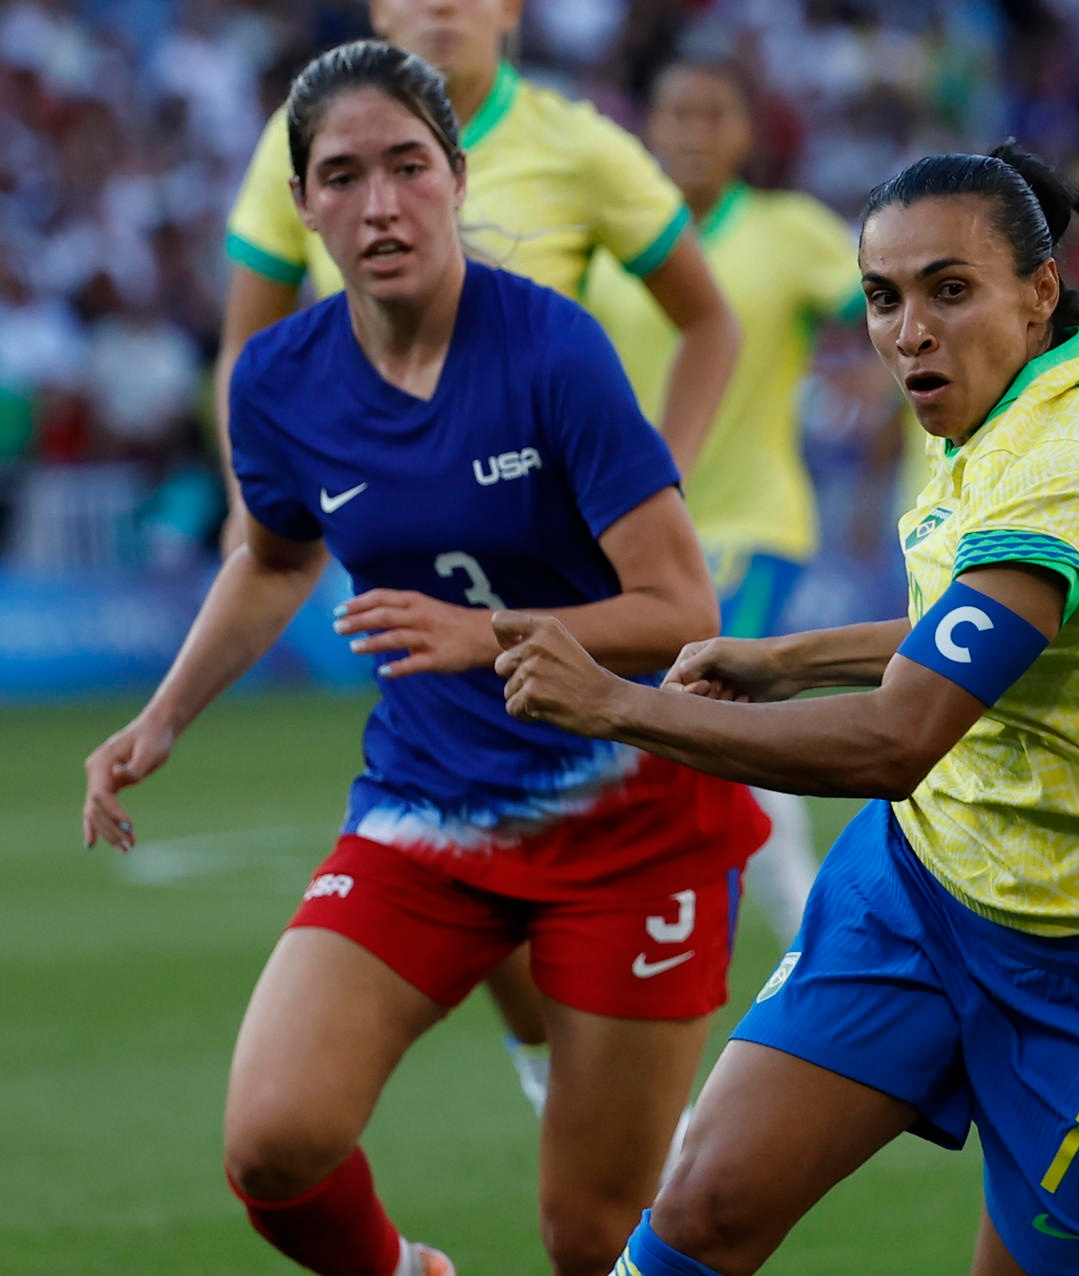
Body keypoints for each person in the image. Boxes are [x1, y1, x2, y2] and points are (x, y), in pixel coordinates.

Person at [490, 142, 1079, 1276]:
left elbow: (902, 735)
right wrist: (790, 658)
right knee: (701, 1208)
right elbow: (988, 640)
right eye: (883, 297)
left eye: (948, 290)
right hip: (925, 887)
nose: (909, 329)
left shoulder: (1075, 465)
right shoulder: (999, 421)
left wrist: (615, 704)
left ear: (1038, 293)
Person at [80, 42, 767, 1276]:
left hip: (628, 822)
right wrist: (164, 715)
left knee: (595, 1236)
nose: (380, 203)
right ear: (302, 206)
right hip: (428, 807)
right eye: (342, 176)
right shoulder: (279, 378)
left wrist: (488, 634)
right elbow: (277, 557)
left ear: (457, 174)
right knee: (273, 1145)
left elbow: (679, 602)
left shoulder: (552, 351)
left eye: (408, 166)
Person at [216, 0, 741, 1106]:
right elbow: (247, 337)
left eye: (409, 169)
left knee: (598, 1213)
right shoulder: (296, 136)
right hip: (403, 526)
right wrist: (251, 492)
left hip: (567, 559)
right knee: (470, 814)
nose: (436, 6)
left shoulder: (580, 149)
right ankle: (551, 1060)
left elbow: (708, 322)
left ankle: (607, 1085)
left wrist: (655, 478)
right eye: (346, 179)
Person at [620, 52, 879, 942]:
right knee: (678, 733)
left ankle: (805, 931)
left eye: (713, 115)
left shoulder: (787, 229)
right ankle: (799, 924)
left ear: (745, 134)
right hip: (629, 534)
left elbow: (886, 303)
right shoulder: (610, 237)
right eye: (677, 114)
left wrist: (884, 393)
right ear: (648, 128)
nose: (693, 132)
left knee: (710, 708)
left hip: (749, 521)